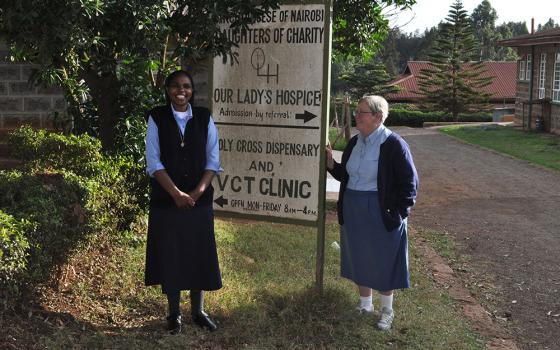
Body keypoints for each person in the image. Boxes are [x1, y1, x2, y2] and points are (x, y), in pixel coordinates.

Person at [326, 95, 418, 331]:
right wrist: (331, 165)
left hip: (381, 210)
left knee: (383, 259)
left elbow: (410, 184)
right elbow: (347, 176)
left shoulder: (393, 144)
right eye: (356, 112)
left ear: (377, 117)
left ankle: (386, 310)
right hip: (354, 208)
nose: (356, 116)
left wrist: (398, 214)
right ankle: (365, 305)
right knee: (360, 256)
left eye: (361, 112)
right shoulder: (355, 143)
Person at [144, 70, 222, 335]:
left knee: (197, 253)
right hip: (167, 202)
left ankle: (198, 311)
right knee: (172, 255)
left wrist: (196, 193)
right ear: (167, 90)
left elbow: (213, 161)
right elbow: (153, 162)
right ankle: (174, 314)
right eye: (176, 86)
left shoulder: (204, 118)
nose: (181, 91)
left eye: (186, 86)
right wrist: (176, 194)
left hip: (198, 202)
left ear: (192, 90)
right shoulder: (156, 118)